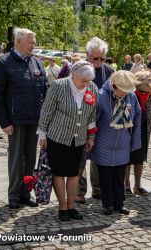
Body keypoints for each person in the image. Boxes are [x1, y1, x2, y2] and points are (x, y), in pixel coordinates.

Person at [0, 28, 47, 209]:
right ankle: (14, 195)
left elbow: (43, 92)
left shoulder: (37, 63)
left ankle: (26, 193)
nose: (34, 45)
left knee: (30, 161)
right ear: (19, 42)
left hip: (34, 120)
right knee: (16, 160)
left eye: (34, 41)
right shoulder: (4, 62)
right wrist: (5, 122)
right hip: (15, 121)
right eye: (31, 42)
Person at [37, 61, 98, 221]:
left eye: (88, 81)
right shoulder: (58, 86)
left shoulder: (92, 88)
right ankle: (62, 207)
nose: (86, 84)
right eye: (83, 81)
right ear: (73, 75)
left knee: (73, 173)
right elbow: (46, 111)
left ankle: (72, 206)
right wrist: (42, 135)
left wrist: (91, 136)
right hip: (58, 136)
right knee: (58, 172)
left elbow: (91, 115)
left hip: (78, 139)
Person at [88, 70, 141, 215]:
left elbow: (137, 119)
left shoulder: (131, 97)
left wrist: (134, 143)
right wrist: (90, 139)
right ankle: (107, 204)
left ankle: (120, 203)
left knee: (119, 176)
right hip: (104, 143)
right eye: (121, 90)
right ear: (114, 85)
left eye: (127, 91)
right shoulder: (101, 96)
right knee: (105, 177)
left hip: (123, 143)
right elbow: (92, 120)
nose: (124, 94)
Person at [76, 37, 115, 204]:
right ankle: (79, 191)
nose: (99, 62)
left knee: (99, 156)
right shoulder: (78, 69)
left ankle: (98, 189)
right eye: (95, 58)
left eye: (102, 58)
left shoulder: (110, 72)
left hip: (102, 121)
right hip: (80, 120)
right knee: (80, 157)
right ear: (87, 55)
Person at [125, 70, 151, 196]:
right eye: (143, 91)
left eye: (149, 91)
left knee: (140, 159)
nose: (145, 93)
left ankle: (137, 186)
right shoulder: (130, 95)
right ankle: (126, 185)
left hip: (145, 130)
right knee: (127, 159)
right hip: (131, 130)